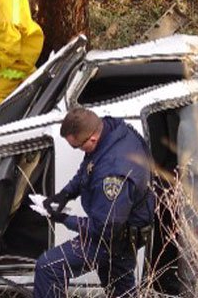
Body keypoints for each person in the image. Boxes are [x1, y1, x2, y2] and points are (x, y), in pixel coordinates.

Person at [33, 108, 155, 298]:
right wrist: (66, 194)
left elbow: (104, 228)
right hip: (124, 227)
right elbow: (90, 166)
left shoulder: (113, 173)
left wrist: (64, 218)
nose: (79, 151)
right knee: (120, 289)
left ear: (91, 139)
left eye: (77, 147)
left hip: (114, 238)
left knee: (48, 267)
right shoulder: (111, 129)